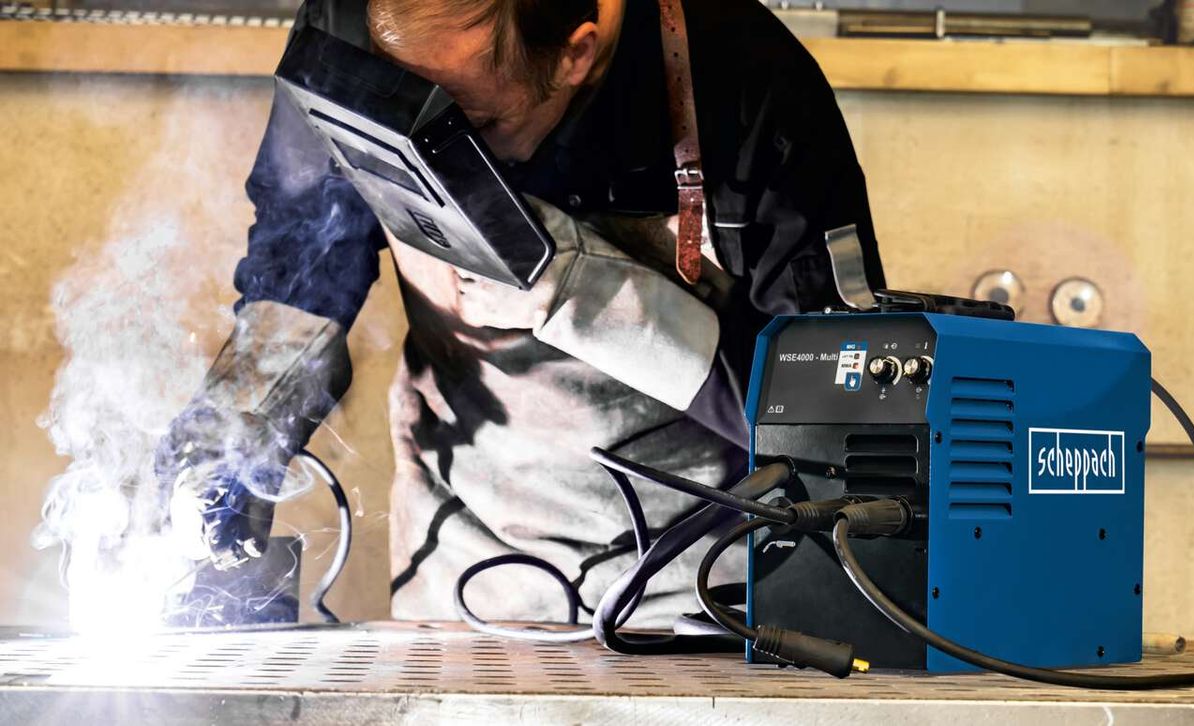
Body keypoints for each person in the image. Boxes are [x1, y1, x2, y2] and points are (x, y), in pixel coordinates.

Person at [156, 0, 886, 624]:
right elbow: (302, 265)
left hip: (695, 586)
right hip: (461, 563)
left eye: (472, 120)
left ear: (576, 54)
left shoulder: (748, 85)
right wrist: (237, 425)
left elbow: (829, 417)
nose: (445, 164)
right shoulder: (347, 28)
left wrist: (588, 295)